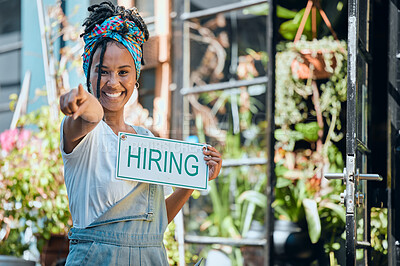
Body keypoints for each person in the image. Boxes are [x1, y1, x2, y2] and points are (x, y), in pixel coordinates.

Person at [59, 1, 222, 265]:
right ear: (88, 73)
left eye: (123, 72)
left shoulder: (146, 139)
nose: (113, 82)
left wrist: (195, 180)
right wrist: (78, 99)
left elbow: (154, 224)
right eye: (102, 72)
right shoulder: (80, 131)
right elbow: (92, 115)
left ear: (136, 77)